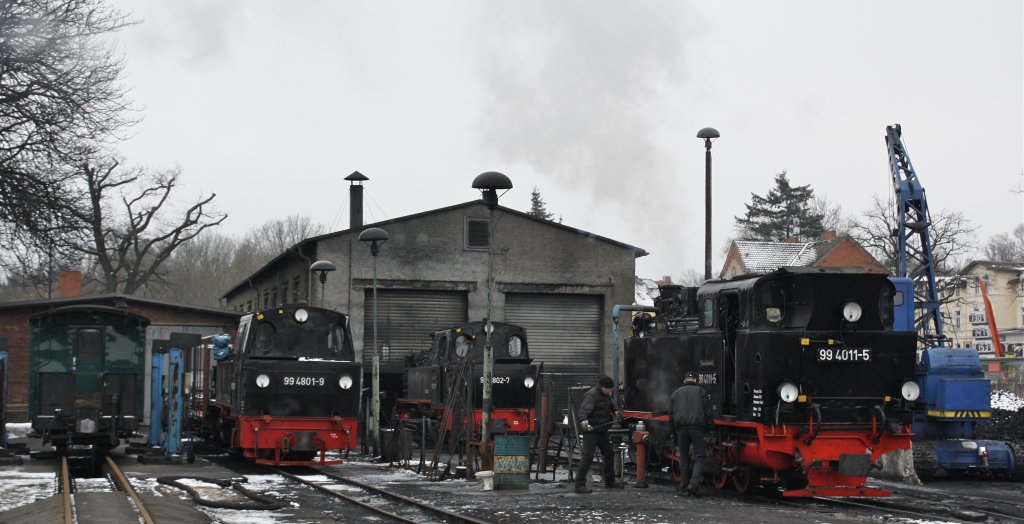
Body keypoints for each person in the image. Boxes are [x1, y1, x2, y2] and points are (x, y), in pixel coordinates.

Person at [574, 375, 620, 494]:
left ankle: (610, 482)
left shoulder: (606, 395)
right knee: (587, 457)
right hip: (591, 431)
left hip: (601, 430)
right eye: (609, 389)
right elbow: (583, 411)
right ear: (603, 387)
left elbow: (611, 405)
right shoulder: (591, 395)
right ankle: (579, 485)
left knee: (609, 453)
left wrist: (617, 413)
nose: (610, 391)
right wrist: (584, 423)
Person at [670, 371, 710, 497]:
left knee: (684, 458)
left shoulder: (675, 393)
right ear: (695, 380)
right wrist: (710, 429)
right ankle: (693, 485)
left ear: (685, 379)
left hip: (681, 429)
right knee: (700, 457)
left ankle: (683, 486)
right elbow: (708, 412)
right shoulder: (702, 392)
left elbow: (670, 416)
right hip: (697, 429)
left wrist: (673, 432)